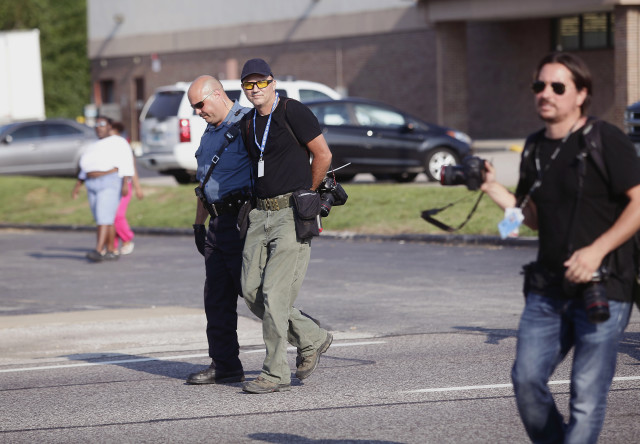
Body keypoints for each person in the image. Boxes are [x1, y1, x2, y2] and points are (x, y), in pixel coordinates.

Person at [480, 52, 640, 443]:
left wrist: (596, 251)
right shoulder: (534, 147)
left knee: (585, 396)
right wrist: (492, 188)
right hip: (547, 289)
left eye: (557, 87)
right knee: (526, 379)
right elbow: (532, 217)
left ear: (581, 93)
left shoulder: (606, 139)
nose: (545, 94)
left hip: (604, 286)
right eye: (539, 86)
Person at [238, 58, 334, 394]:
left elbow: (323, 154)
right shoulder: (249, 122)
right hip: (259, 214)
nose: (255, 90)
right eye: (248, 85)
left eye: (260, 82)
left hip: (290, 214)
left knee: (274, 295)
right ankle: (312, 336)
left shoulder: (293, 111)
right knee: (250, 290)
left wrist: (308, 193)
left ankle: (275, 372)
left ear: (272, 82)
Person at [185, 75, 253, 385]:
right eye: (193, 107)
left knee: (256, 296)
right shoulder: (209, 133)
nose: (197, 111)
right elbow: (204, 184)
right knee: (216, 298)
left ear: (218, 94)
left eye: (200, 104)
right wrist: (199, 224)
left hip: (242, 221)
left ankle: (307, 337)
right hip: (216, 223)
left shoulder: (248, 123)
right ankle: (225, 363)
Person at [72, 116, 136, 263]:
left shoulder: (118, 141)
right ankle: (111, 250)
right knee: (105, 219)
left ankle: (99, 250)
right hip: (91, 182)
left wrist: (126, 183)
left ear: (109, 126)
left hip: (109, 181)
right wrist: (78, 185)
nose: (98, 127)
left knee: (103, 218)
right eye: (96, 124)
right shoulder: (94, 145)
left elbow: (126, 161)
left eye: (102, 124)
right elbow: (86, 165)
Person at [109, 121, 143, 255]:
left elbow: (131, 167)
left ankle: (127, 239)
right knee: (110, 216)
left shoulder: (123, 144)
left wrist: (137, 187)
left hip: (124, 184)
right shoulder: (105, 145)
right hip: (110, 184)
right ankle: (113, 245)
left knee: (118, 215)